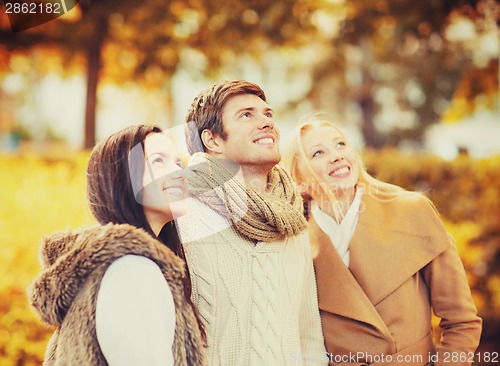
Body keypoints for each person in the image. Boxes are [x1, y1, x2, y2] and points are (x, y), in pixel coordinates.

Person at [282, 118, 482, 366]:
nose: (336, 156)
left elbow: (462, 322)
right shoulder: (294, 243)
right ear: (298, 179)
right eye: (318, 152)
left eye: (341, 144)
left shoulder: (410, 211)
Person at [27, 125, 206, 365]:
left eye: (178, 164)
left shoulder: (119, 266)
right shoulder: (132, 270)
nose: (178, 173)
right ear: (121, 178)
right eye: (158, 161)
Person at [178, 80, 327, 365]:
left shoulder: (293, 221)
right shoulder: (183, 217)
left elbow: (308, 335)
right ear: (212, 140)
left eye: (268, 114)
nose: (266, 122)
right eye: (247, 115)